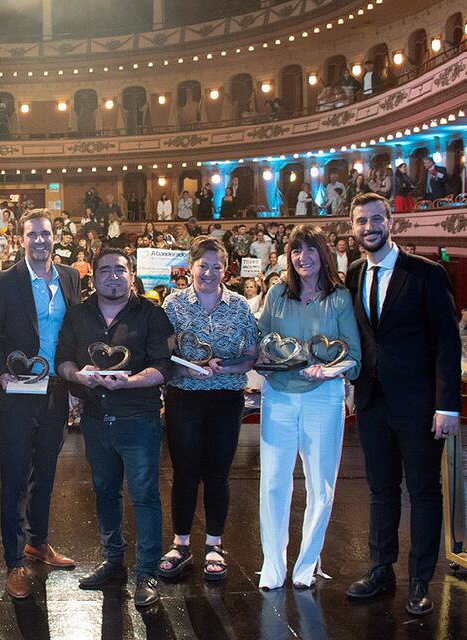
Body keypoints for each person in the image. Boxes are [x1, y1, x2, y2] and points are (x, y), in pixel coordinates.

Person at [344, 192, 461, 615]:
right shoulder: (354, 273)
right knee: (381, 489)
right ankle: (381, 569)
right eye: (361, 221)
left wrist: (447, 406)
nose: (369, 227)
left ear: (391, 222)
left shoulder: (426, 273)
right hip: (372, 402)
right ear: (352, 227)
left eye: (376, 219)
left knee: (424, 491)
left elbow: (447, 342)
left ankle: (420, 580)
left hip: (419, 405)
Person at [56, 248, 174, 608]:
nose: (113, 276)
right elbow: (63, 360)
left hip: (139, 419)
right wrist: (78, 376)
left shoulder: (152, 315)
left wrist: (130, 381)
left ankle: (147, 572)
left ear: (131, 275)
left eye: (120, 270)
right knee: (105, 492)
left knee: (144, 496)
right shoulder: (78, 315)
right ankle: (113, 561)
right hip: (95, 420)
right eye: (105, 270)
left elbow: (165, 366)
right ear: (93, 277)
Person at [256, 224, 361, 590]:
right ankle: (273, 564)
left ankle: (307, 564)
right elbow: (261, 340)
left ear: (323, 253)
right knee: (273, 482)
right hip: (279, 396)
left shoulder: (340, 298)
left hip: (324, 397)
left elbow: (354, 355)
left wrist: (329, 370)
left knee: (321, 485)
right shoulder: (277, 293)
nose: (303, 257)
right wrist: (259, 357)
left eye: (310, 249)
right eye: (296, 250)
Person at [0, 209, 81, 600]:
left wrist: (75, 386)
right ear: (20, 238)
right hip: (18, 391)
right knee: (14, 476)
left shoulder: (70, 277)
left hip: (56, 390)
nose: (40, 240)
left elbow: (74, 334)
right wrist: (0, 375)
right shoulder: (4, 281)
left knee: (45, 471)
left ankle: (37, 542)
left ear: (54, 236)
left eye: (45, 233)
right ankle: (13, 561)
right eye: (32, 234)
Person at [158, 238, 258, 583]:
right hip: (184, 397)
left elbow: (251, 355)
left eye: (217, 266)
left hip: (226, 398)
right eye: (203, 266)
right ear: (191, 267)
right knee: (184, 472)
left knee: (218, 473)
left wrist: (226, 368)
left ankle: (215, 544)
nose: (209, 273)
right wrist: (188, 371)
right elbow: (163, 355)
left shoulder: (240, 305)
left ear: (226, 270)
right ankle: (180, 543)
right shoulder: (173, 304)